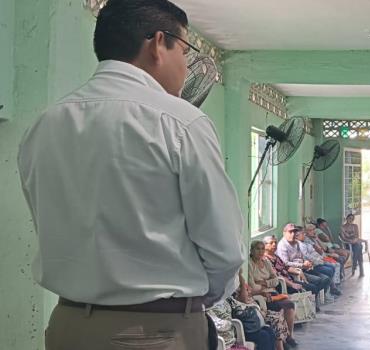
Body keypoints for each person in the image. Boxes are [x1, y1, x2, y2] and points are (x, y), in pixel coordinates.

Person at [16, 0, 244, 349]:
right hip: (155, 331)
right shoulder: (180, 122)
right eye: (184, 50)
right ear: (156, 44)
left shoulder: (46, 123)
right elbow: (224, 248)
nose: (185, 66)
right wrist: (192, 303)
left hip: (67, 326)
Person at [247, 241, 297, 347]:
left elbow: (276, 280)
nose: (260, 251)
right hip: (261, 296)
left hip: (272, 292)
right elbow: (252, 286)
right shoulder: (249, 264)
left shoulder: (266, 262)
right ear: (251, 250)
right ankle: (281, 340)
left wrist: (264, 283)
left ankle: (289, 336)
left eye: (262, 249)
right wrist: (266, 286)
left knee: (290, 305)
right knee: (278, 309)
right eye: (257, 249)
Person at [276, 223, 333, 307]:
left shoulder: (296, 243)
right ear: (284, 233)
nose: (293, 234)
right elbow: (285, 263)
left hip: (304, 268)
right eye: (290, 232)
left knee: (325, 279)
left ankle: (314, 299)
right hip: (293, 271)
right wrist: (301, 264)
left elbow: (302, 256)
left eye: (294, 232)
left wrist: (306, 262)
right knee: (316, 282)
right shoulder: (282, 245)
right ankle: (312, 302)